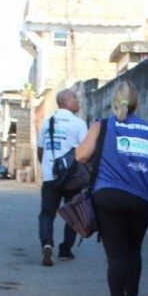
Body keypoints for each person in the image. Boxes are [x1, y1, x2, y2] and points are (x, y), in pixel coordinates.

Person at [74, 81, 148, 296]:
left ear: (114, 102)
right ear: (136, 103)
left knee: (116, 255)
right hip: (143, 199)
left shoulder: (103, 125)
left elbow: (81, 156)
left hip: (109, 197)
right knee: (133, 251)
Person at [36, 89, 88, 266]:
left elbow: (40, 151)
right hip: (72, 178)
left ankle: (47, 245)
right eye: (75, 97)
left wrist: (47, 168)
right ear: (66, 102)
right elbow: (85, 152)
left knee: (47, 214)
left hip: (51, 177)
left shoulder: (46, 123)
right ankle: (65, 250)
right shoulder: (78, 124)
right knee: (72, 213)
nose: (78, 100)